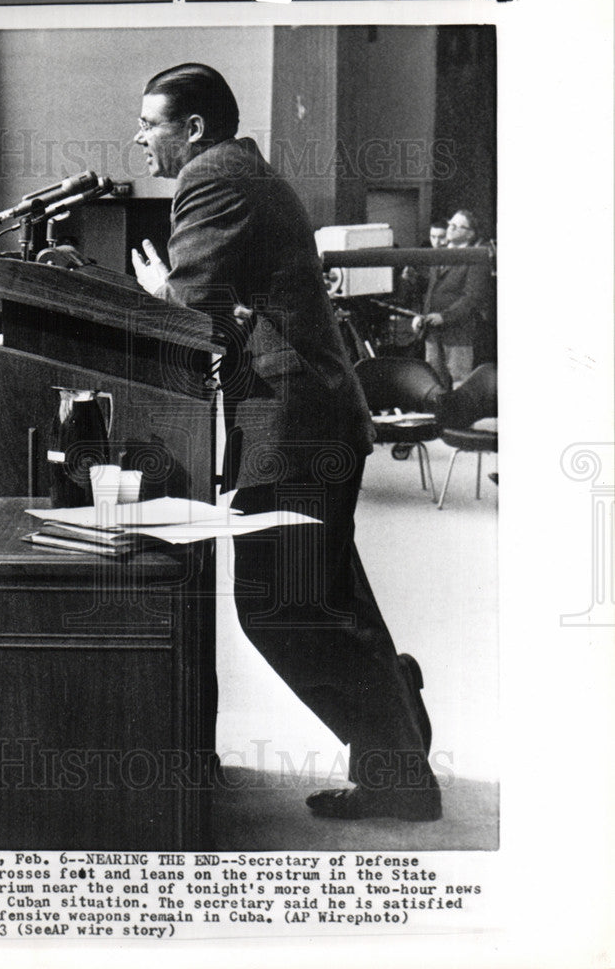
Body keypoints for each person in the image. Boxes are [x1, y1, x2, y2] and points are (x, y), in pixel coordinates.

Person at [131, 63, 441, 822]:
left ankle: (399, 757)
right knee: (324, 600)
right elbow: (245, 307)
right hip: (310, 417)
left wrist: (156, 295)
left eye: (151, 124)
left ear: (193, 129)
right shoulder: (243, 172)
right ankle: (395, 724)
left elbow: (194, 303)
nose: (139, 138)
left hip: (295, 425)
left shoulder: (211, 177)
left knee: (279, 607)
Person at [412, 208, 494, 388]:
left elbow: (473, 298)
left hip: (459, 334)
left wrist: (445, 317)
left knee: (459, 381)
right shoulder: (440, 254)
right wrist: (421, 315)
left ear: (470, 233)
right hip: (433, 333)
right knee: (433, 383)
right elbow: (432, 291)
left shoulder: (475, 258)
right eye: (451, 224)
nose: (451, 228)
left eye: (458, 226)